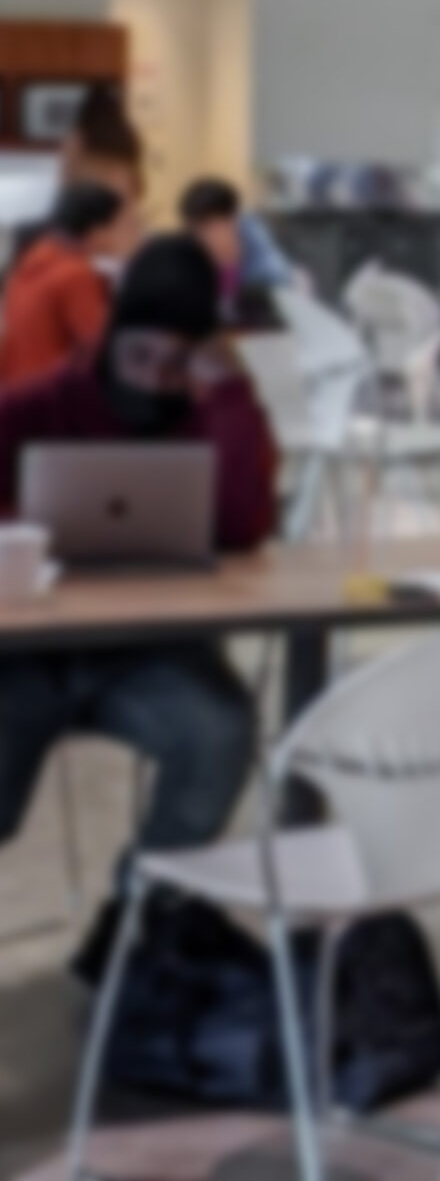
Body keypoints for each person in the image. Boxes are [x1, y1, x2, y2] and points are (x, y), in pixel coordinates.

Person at [0, 235, 275, 970]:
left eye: (177, 363)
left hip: (154, 652)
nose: (155, 378)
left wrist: (230, 395)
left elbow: (245, 526)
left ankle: (137, 924)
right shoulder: (42, 401)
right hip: (25, 653)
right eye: (140, 356)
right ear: (111, 340)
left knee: (218, 730)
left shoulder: (211, 408)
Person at [0, 182, 138, 387]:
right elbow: (103, 348)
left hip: (18, 393)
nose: (136, 236)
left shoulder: (28, 264)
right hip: (52, 396)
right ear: (98, 232)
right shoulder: (75, 275)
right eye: (128, 227)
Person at [177, 176, 291, 327]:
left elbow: (280, 281)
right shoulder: (189, 257)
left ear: (233, 219)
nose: (210, 238)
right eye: (200, 230)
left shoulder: (254, 241)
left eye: (215, 226)